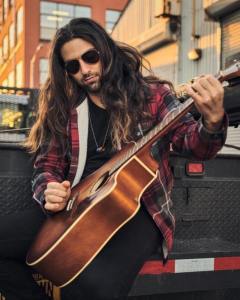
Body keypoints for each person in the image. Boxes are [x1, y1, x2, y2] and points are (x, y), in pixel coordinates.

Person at [0, 18, 227, 300]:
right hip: (76, 207)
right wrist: (48, 190)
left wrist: (213, 120)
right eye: (73, 66)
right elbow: (46, 167)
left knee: (90, 287)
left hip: (137, 207)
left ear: (106, 51)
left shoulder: (153, 95)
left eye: (90, 57)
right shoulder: (65, 109)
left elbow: (195, 145)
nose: (84, 70)